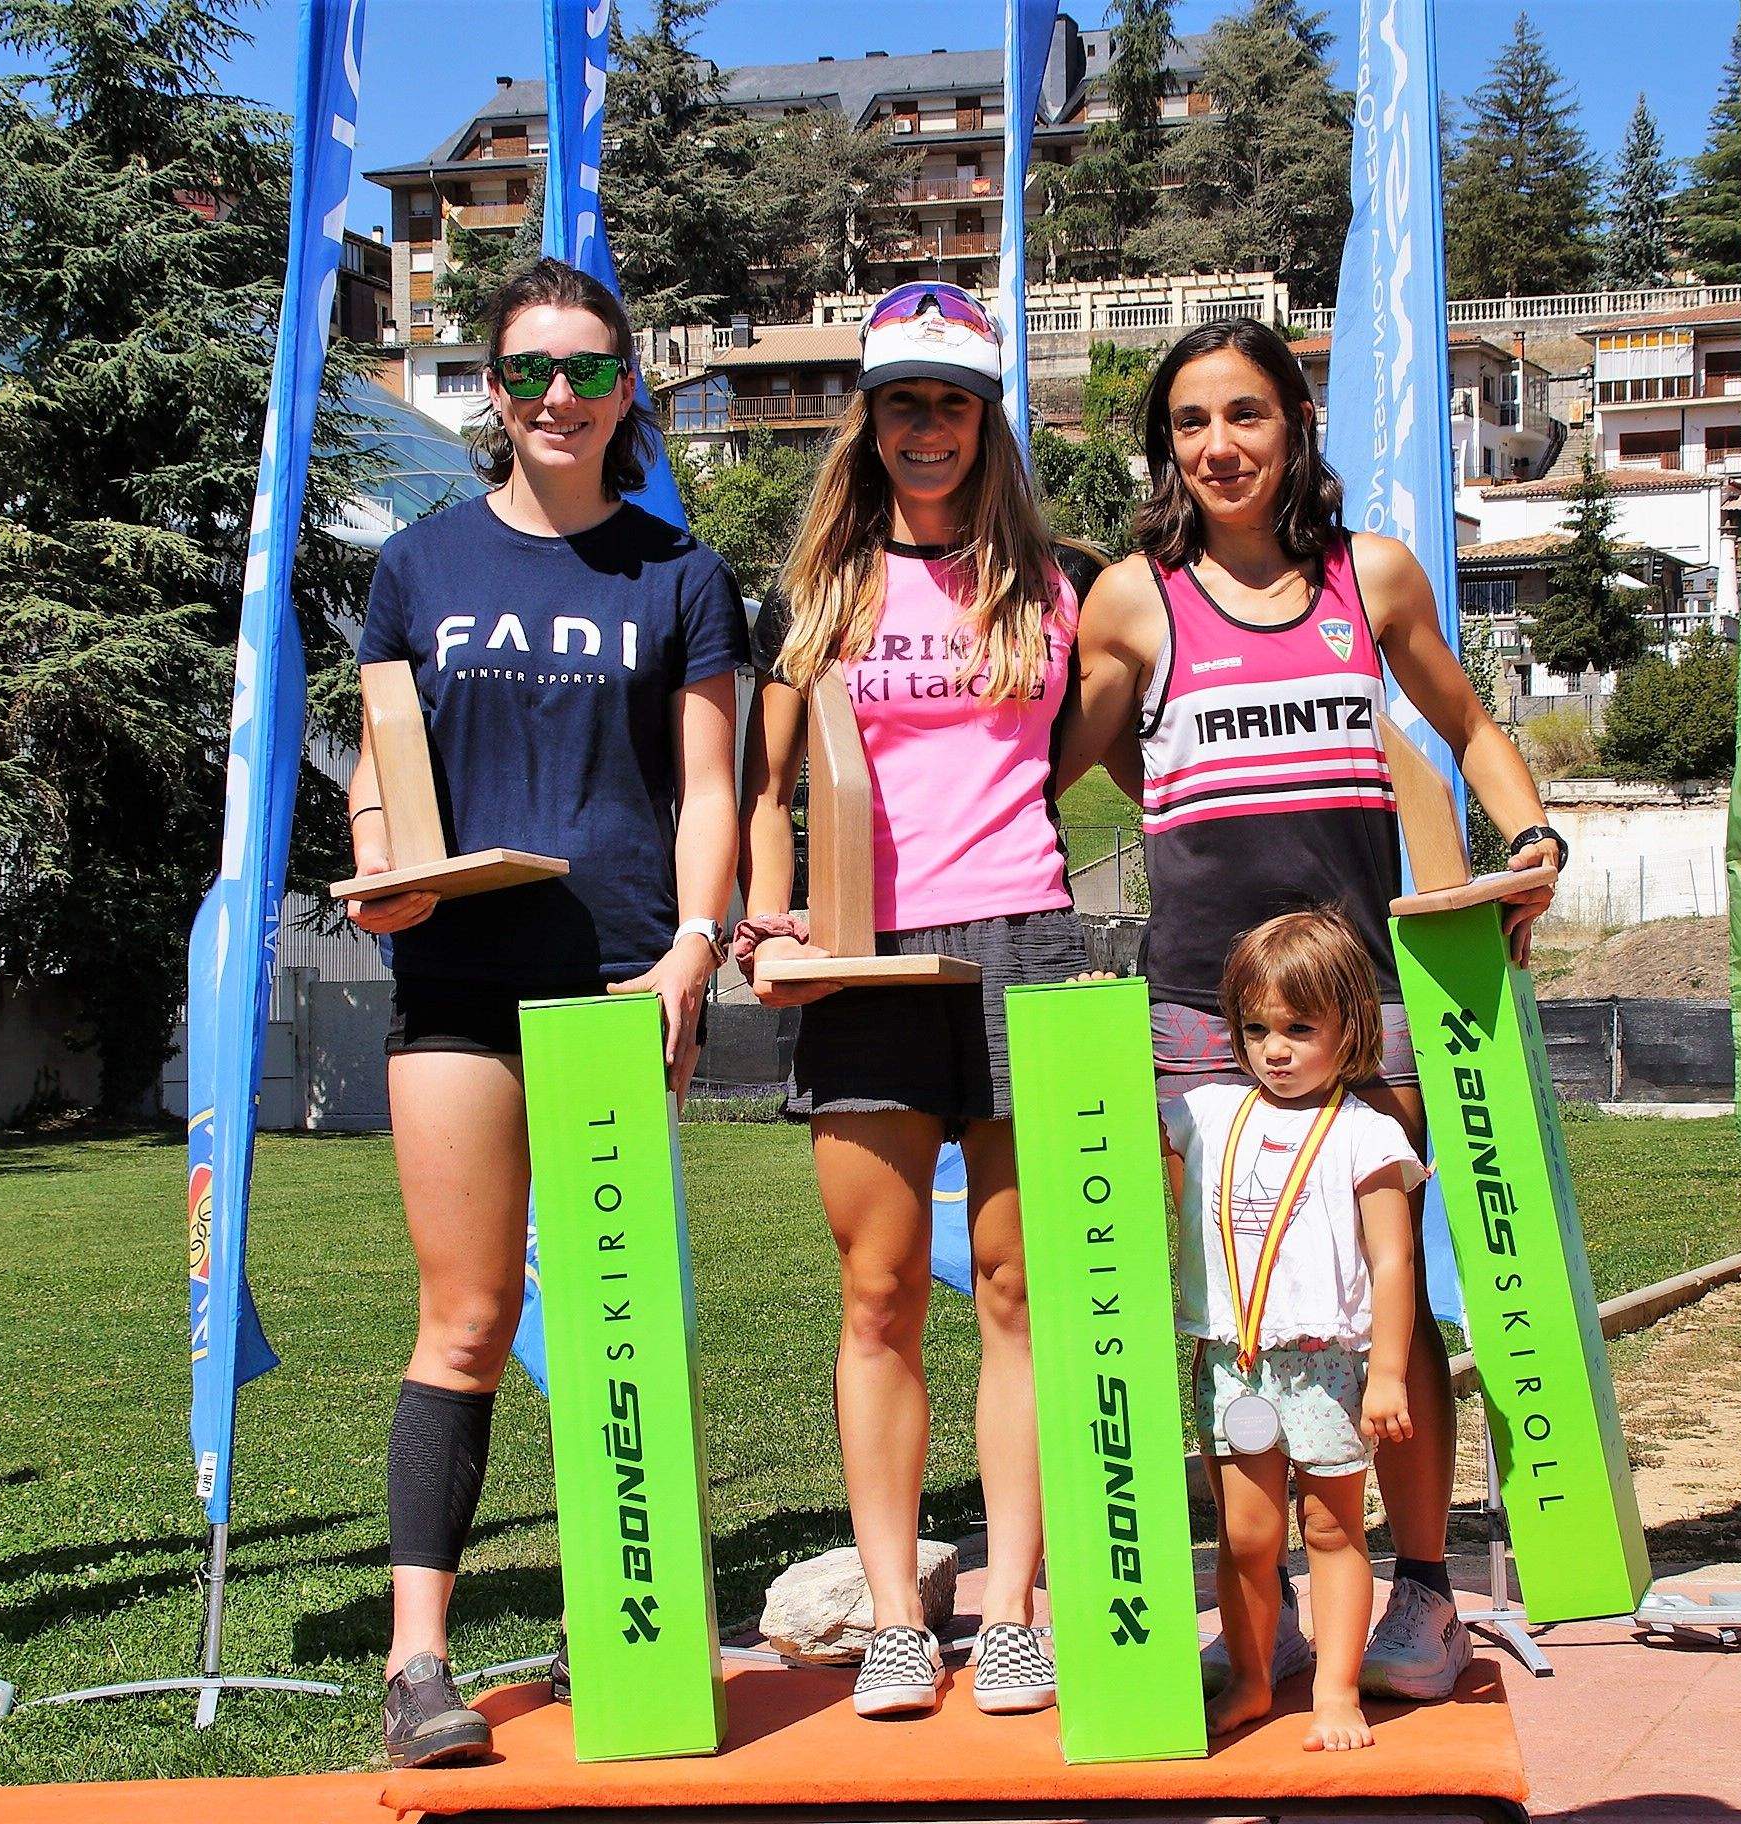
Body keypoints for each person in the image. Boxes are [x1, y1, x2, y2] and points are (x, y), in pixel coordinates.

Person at [1061, 317, 1565, 1703]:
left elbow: (1465, 730)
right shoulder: (1130, 601)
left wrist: (1533, 848)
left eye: (1245, 415)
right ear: (1165, 447)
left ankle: (1416, 1592)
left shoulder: (1372, 578)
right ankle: (1257, 1599)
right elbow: (1037, 768)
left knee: (1374, 1312)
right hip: (1194, 1015)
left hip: (1366, 1009)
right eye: (1188, 424)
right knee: (1233, 1313)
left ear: (1295, 425)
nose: (1217, 445)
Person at [343, 259, 746, 1768]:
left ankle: (624, 1616)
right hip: (452, 986)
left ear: (627, 387)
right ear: (490, 396)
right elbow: (386, 764)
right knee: (464, 1317)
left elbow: (713, 788)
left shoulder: (680, 574)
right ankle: (419, 1666)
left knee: (608, 1323)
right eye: (526, 373)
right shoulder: (419, 566)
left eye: (586, 369)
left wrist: (696, 948)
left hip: (616, 990)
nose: (558, 396)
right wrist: (382, 871)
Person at [732, 281, 1099, 1720]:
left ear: (987, 418)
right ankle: (896, 1618)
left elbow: (1071, 756)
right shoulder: (817, 590)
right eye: (902, 402)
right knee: (880, 1293)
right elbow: (768, 788)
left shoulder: (1056, 580)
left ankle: (1008, 1608)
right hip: (865, 954)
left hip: (1024, 942)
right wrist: (772, 926)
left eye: (951, 401)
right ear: (868, 421)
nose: (926, 426)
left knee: (1018, 1290)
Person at [1163, 909, 1425, 1750]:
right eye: (1256, 1028)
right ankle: (1250, 1676)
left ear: (1351, 1027)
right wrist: (1092, 1018)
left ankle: (1338, 1691)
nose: (1275, 1049)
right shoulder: (1203, 1112)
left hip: (1325, 1369)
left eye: (1299, 1028)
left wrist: (1386, 1373)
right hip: (1231, 1363)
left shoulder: (1367, 1131)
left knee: (1332, 1530)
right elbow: (1108, 1126)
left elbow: (1394, 1264)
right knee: (1245, 1538)